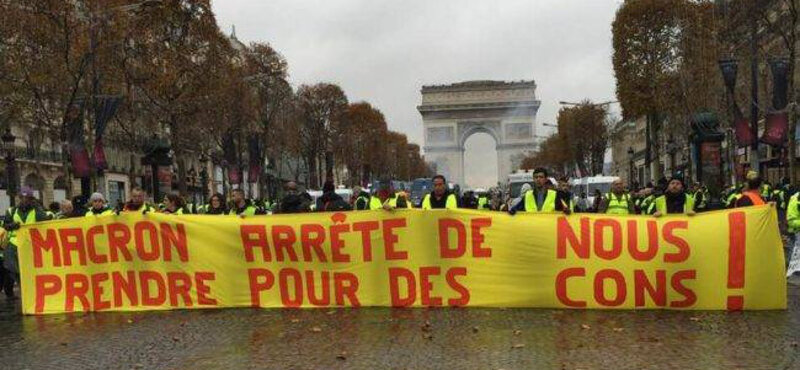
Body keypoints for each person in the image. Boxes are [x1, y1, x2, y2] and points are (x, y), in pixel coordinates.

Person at [2, 186, 51, 300]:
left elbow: (43, 221)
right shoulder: (11, 210)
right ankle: (20, 287)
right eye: (22, 198)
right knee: (10, 266)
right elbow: (5, 225)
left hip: (31, 245)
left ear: (31, 199)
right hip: (15, 244)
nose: (24, 201)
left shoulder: (37, 210)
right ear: (19, 198)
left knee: (32, 270)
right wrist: (11, 226)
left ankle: (31, 291)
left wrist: (37, 207)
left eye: (27, 198)